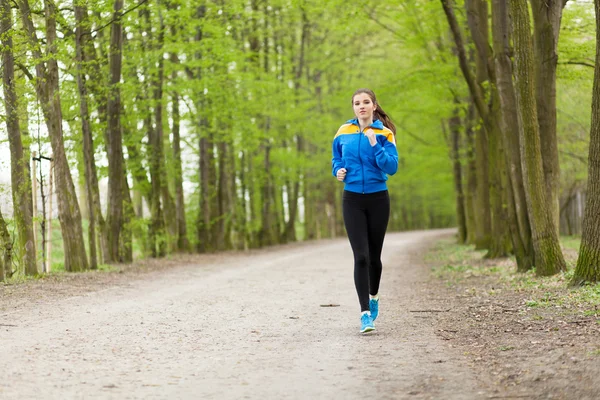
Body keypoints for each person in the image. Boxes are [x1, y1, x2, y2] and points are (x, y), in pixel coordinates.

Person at [331, 88, 398, 334]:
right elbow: (336, 159)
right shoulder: (343, 132)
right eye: (357, 103)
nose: (362, 106)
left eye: (366, 102)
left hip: (378, 198)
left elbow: (391, 167)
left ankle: (374, 296)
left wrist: (375, 144)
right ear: (353, 108)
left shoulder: (384, 133)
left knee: (374, 258)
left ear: (373, 105)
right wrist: (337, 171)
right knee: (360, 256)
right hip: (352, 200)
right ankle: (365, 315)